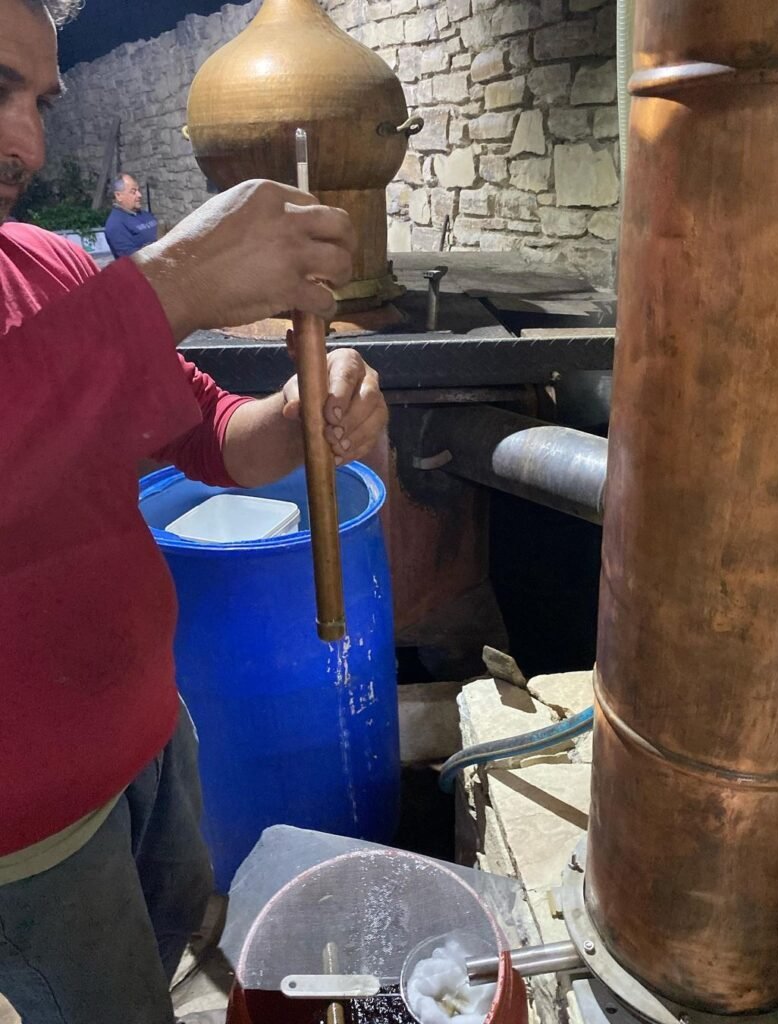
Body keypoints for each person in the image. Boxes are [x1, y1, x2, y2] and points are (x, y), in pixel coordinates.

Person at [0, 0, 388, 1021]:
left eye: (39, 99)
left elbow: (208, 433)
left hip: (150, 733)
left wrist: (301, 417)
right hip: (28, 831)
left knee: (171, 925)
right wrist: (169, 281)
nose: (30, 143)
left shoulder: (43, 262)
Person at [103, 170, 158, 257]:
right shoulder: (116, 225)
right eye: (133, 191)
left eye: (138, 190)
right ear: (118, 196)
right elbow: (134, 260)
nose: (139, 195)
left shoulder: (145, 214)